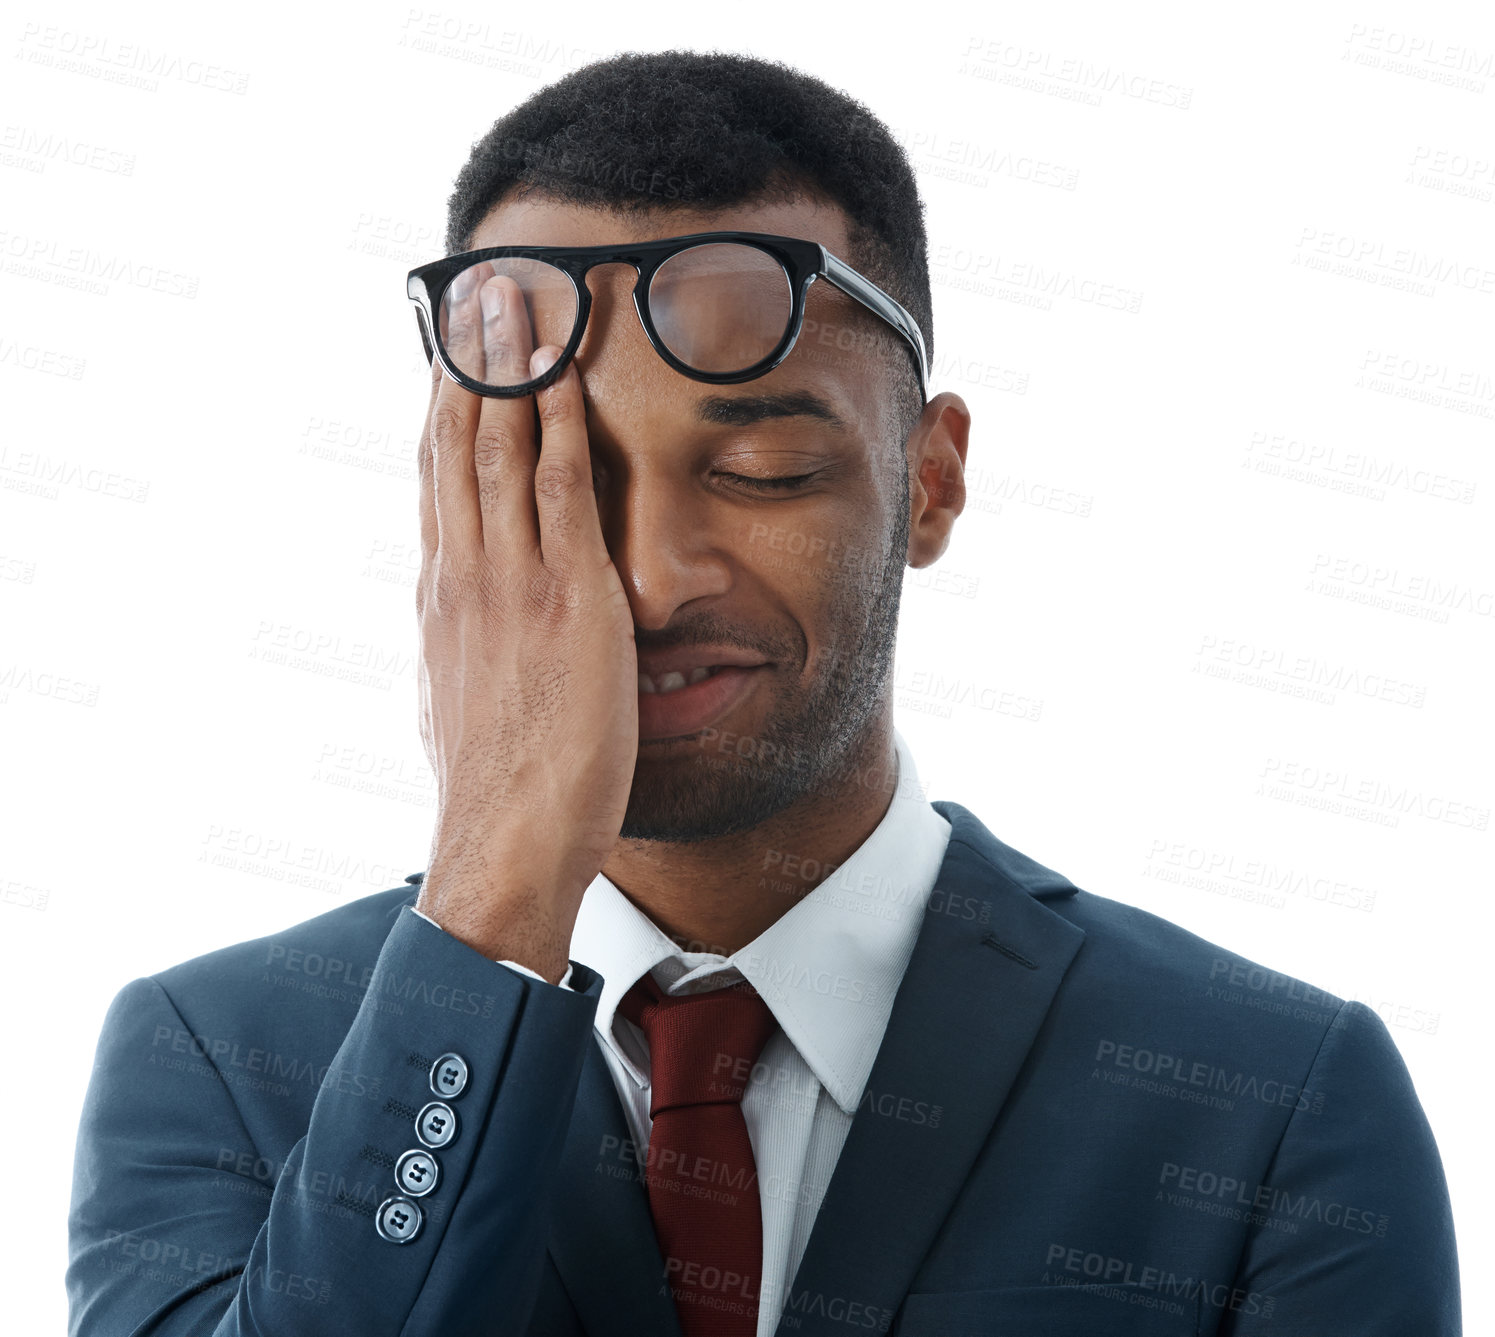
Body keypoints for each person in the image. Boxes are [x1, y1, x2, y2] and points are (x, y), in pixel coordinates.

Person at [66, 49, 1460, 1337]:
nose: (655, 579)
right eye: (565, 485)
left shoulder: (1274, 1103)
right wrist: (491, 892)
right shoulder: (216, 1061)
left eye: (763, 471)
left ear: (930, 477)